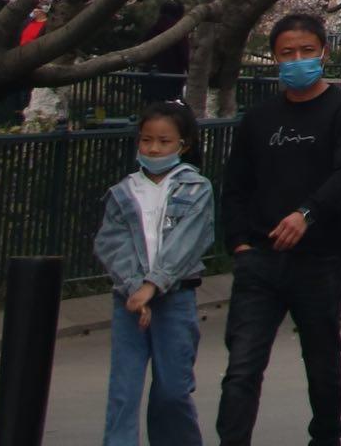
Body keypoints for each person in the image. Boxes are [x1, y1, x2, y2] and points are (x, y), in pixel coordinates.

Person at [216, 15, 341, 446]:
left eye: (306, 51)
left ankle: (326, 436)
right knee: (242, 366)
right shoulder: (260, 118)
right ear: (274, 58)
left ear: (323, 52)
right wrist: (240, 245)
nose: (297, 60)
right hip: (260, 261)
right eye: (287, 53)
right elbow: (236, 186)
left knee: (321, 359)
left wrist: (307, 214)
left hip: (319, 259)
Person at [96, 101, 214, 446]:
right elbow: (111, 244)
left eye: (164, 142)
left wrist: (152, 286)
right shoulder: (122, 192)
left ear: (184, 144)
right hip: (129, 301)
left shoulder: (196, 188)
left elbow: (186, 243)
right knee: (123, 391)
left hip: (175, 300)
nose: (153, 149)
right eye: (146, 140)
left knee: (173, 391)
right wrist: (135, 289)